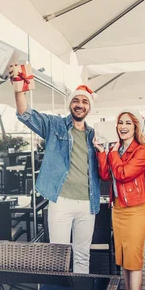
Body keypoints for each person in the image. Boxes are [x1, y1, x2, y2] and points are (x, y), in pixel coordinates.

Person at [15, 84, 101, 274]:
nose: (80, 104)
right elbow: (25, 114)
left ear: (89, 108)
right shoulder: (55, 125)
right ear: (70, 104)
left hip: (88, 204)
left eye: (85, 101)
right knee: (58, 256)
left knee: (82, 256)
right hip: (61, 201)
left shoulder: (95, 135)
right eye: (76, 100)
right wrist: (18, 88)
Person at [94, 111, 145, 290]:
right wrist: (102, 152)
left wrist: (113, 153)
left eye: (128, 123)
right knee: (124, 261)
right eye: (120, 122)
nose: (123, 126)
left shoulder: (141, 152)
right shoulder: (116, 149)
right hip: (118, 209)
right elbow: (107, 175)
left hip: (135, 210)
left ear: (136, 127)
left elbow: (123, 174)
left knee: (134, 261)